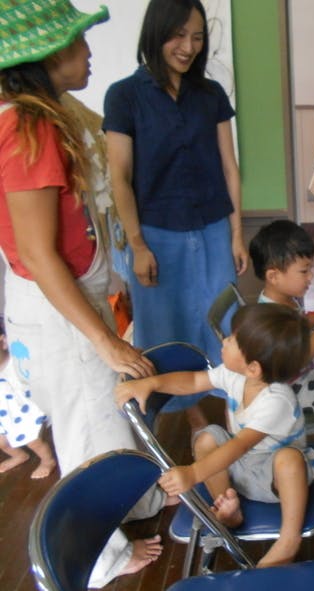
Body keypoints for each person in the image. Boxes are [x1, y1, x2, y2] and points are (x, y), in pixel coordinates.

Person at [0, 1, 165, 586]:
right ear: (44, 57)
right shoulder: (27, 127)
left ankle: (135, 502)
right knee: (87, 430)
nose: (88, 52)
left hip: (58, 304)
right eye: (76, 42)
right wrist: (103, 339)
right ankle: (97, 558)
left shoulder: (40, 115)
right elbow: (39, 255)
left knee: (105, 413)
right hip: (57, 314)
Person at [103, 0, 248, 427]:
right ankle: (190, 424)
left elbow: (230, 168)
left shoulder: (211, 94)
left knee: (224, 326)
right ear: (157, 32)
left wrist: (236, 234)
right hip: (157, 236)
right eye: (179, 35)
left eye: (198, 37)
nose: (189, 47)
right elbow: (119, 178)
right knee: (166, 333)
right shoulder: (124, 96)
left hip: (213, 228)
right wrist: (137, 246)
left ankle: (236, 418)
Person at [116, 303, 314, 567]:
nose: (224, 340)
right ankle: (228, 505)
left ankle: (289, 539)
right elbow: (193, 381)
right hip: (242, 467)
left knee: (289, 460)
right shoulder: (236, 374)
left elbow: (239, 446)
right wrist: (152, 383)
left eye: (233, 339)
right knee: (208, 436)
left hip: (274, 478)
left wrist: (193, 473)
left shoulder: (276, 400)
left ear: (253, 368)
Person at [249, 220, 314, 447]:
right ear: (274, 276)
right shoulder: (270, 316)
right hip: (293, 388)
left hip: (309, 370)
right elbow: (291, 361)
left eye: (310, 269)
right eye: (304, 271)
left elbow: (302, 324)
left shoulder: (284, 299)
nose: (310, 277)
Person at [0, 316, 56, 479]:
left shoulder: (16, 363)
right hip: (4, 413)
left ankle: (48, 460)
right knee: (2, 442)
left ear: (3, 342)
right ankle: (19, 455)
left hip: (24, 409)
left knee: (33, 440)